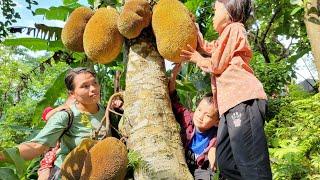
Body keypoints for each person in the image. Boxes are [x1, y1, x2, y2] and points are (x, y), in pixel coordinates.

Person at [180, 0, 272, 179]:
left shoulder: (235, 28)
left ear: (229, 11)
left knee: (250, 162)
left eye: (215, 11)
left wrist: (197, 59)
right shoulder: (224, 37)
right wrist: (195, 30)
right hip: (228, 107)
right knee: (226, 161)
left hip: (243, 100)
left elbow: (217, 64)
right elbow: (208, 47)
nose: (213, 16)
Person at [0, 67, 110, 179]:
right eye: (85, 86)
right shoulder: (65, 115)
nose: (93, 88)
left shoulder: (108, 112)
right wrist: (3, 155)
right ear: (72, 93)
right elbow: (37, 146)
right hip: (67, 174)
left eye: (95, 83)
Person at [168, 63, 219, 180]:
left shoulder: (218, 133)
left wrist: (213, 152)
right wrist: (174, 75)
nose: (200, 116)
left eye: (208, 116)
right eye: (199, 110)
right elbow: (174, 100)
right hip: (182, 160)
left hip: (201, 168)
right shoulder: (189, 118)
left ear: (217, 122)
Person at [37, 97, 74, 180]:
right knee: (45, 172)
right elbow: (47, 116)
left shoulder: (63, 123)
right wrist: (60, 108)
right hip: (52, 156)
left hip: (60, 154)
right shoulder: (51, 126)